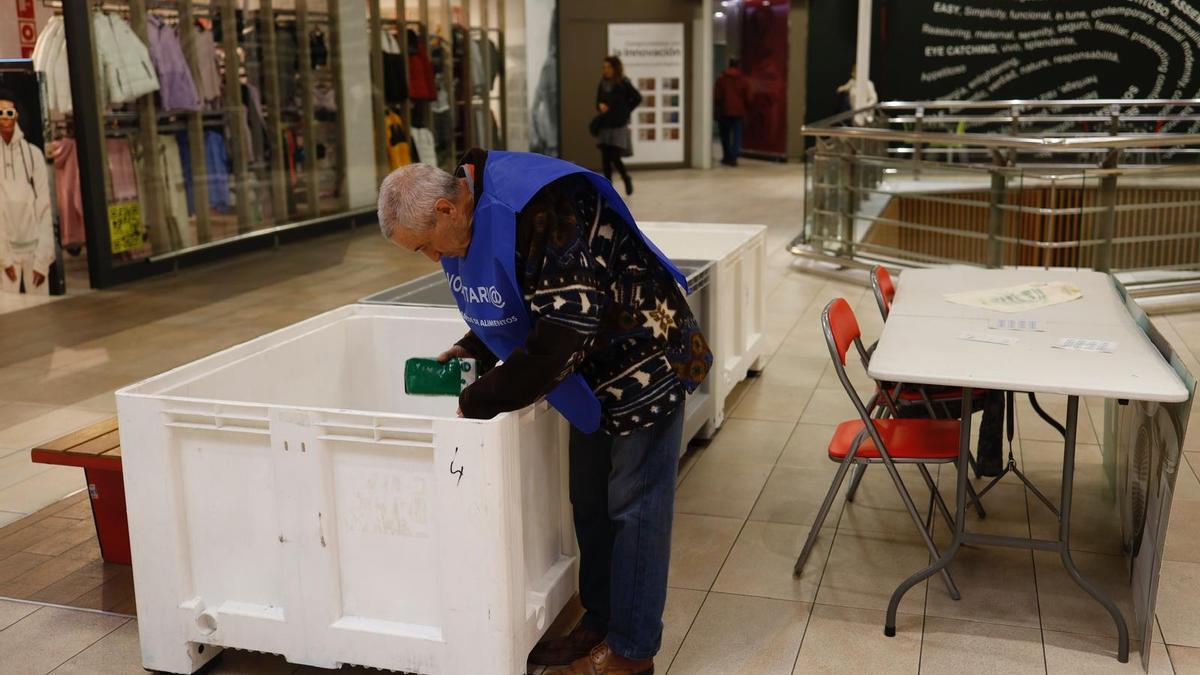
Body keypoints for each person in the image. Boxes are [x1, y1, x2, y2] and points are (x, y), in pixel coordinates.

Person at [378, 149, 712, 675]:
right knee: (590, 501)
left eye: (423, 246)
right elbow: (519, 291)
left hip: (643, 350)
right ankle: (601, 622)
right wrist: (477, 346)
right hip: (591, 373)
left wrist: (481, 397)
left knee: (635, 508)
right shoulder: (475, 205)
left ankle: (631, 652)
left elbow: (564, 331)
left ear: (447, 209)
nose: (430, 259)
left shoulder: (535, 205)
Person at [0, 89, 54, 295]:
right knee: (8, 317)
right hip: (6, 253)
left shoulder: (33, 154)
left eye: (9, 112)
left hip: (34, 249)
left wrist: (43, 259)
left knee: (41, 315)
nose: (5, 118)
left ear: (17, 115)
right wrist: (3, 258)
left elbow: (45, 206)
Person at [592, 56, 641, 196]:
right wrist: (599, 106)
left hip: (618, 126)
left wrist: (625, 111)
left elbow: (637, 98)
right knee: (605, 159)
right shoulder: (602, 83)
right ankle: (608, 190)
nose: (605, 70)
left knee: (614, 156)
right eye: (604, 67)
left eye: (608, 67)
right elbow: (597, 102)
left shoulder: (623, 82)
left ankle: (626, 177)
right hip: (605, 126)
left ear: (615, 68)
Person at [713, 58, 752, 166]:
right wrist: (746, 108)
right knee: (736, 135)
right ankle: (734, 157)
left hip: (724, 111)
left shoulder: (721, 79)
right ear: (738, 65)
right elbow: (748, 97)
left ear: (729, 65)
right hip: (739, 111)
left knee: (724, 135)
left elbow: (717, 96)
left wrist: (717, 108)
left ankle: (727, 156)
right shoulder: (743, 80)